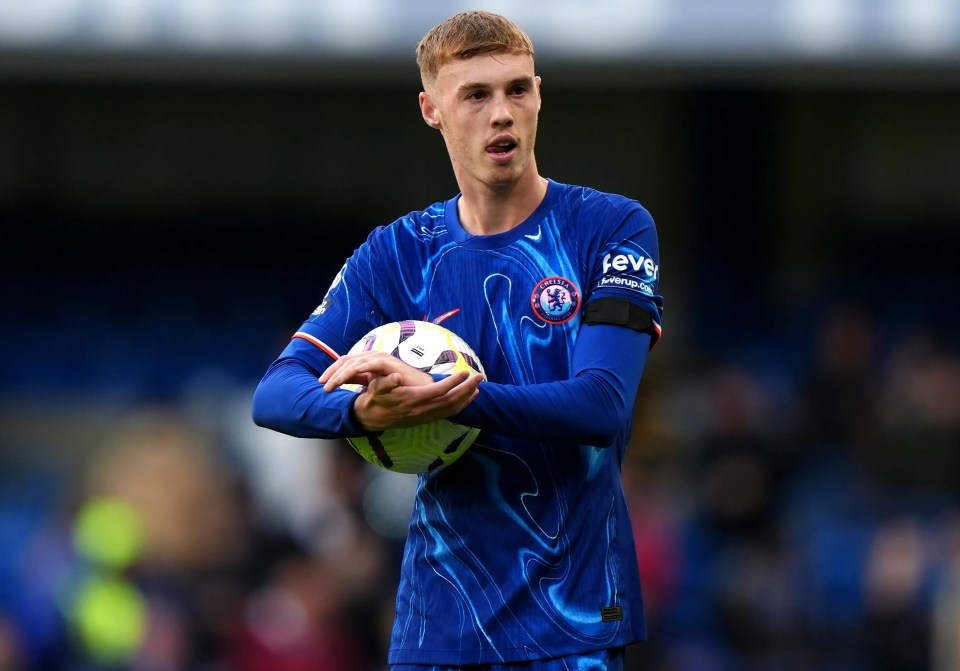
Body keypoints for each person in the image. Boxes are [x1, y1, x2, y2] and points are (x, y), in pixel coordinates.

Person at [252, 10, 664, 671]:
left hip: (574, 619)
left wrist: (444, 402)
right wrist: (362, 413)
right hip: (438, 623)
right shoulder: (397, 253)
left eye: (517, 89)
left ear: (537, 94)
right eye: (475, 94)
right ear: (432, 109)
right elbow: (276, 391)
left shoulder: (611, 228)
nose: (502, 112)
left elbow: (601, 405)